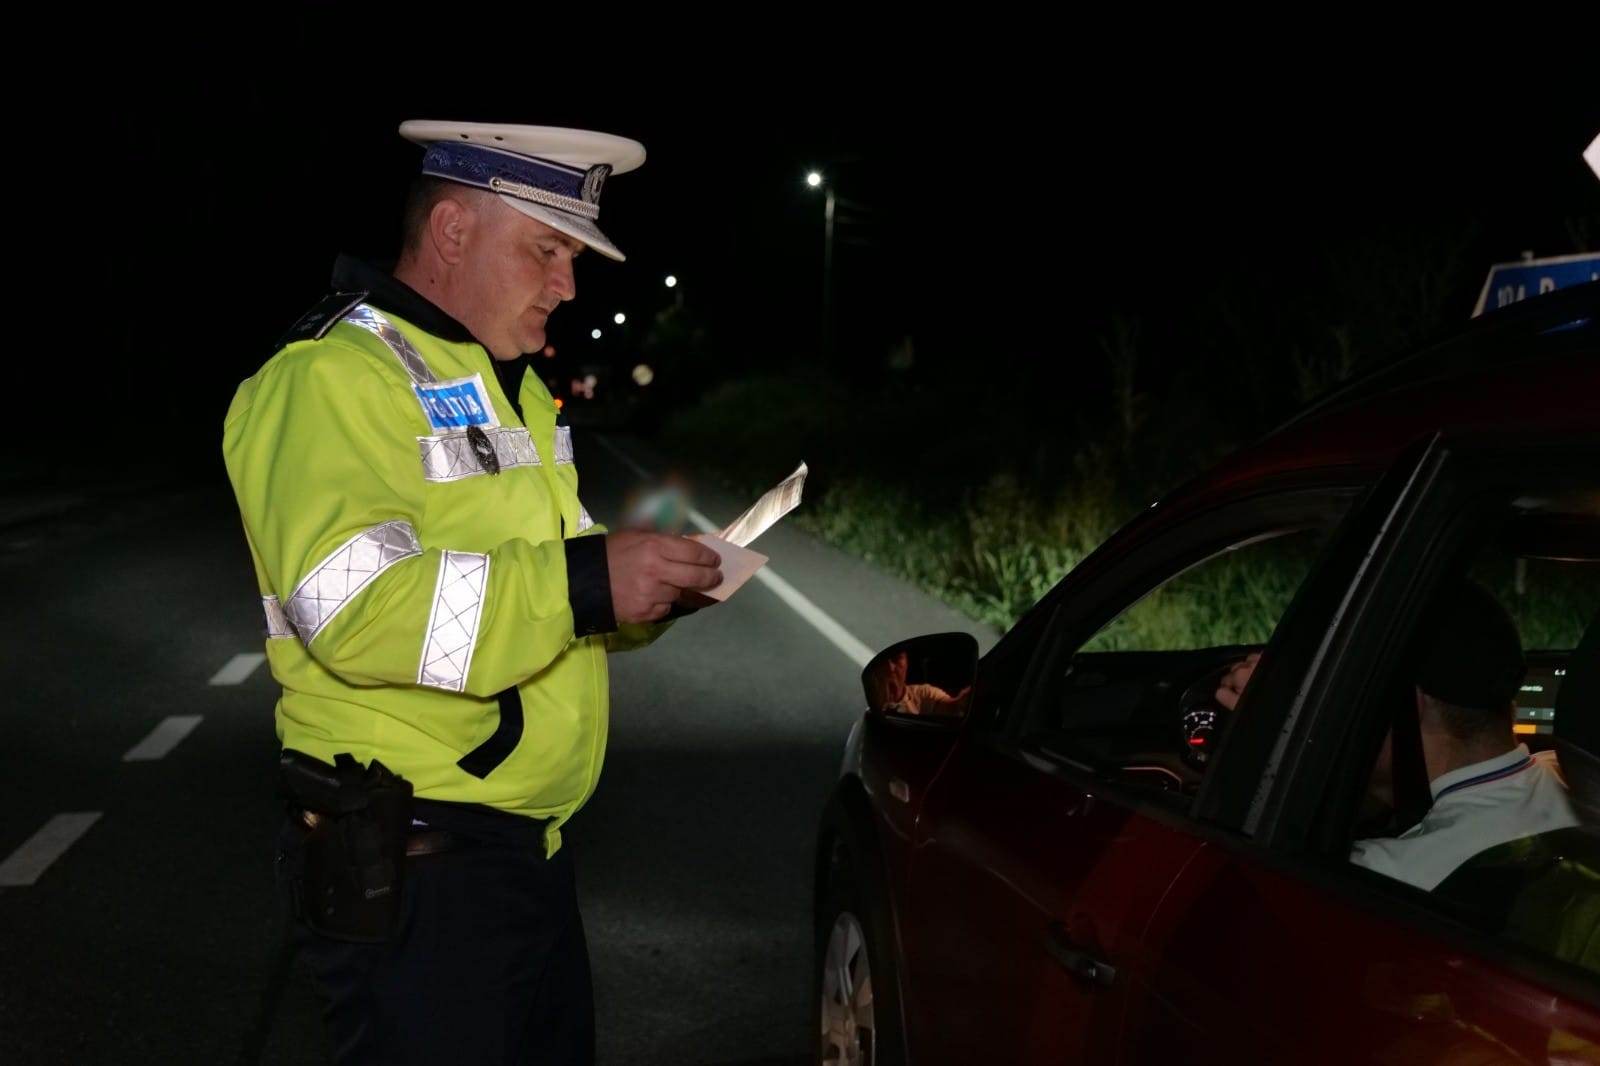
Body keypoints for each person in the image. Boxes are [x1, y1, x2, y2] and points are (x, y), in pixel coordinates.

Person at [222, 120, 722, 1064]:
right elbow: (356, 611)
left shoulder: (511, 386)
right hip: (418, 864)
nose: (567, 284)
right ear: (453, 231)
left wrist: (641, 595)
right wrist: (586, 583)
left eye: (573, 257)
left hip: (524, 854)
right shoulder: (329, 375)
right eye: (548, 250)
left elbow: (531, 591)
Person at [1216, 579, 1579, 891]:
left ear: (1408, 706)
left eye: (1343, 693)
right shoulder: (1580, 783)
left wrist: (1269, 740)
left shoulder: (1383, 876)